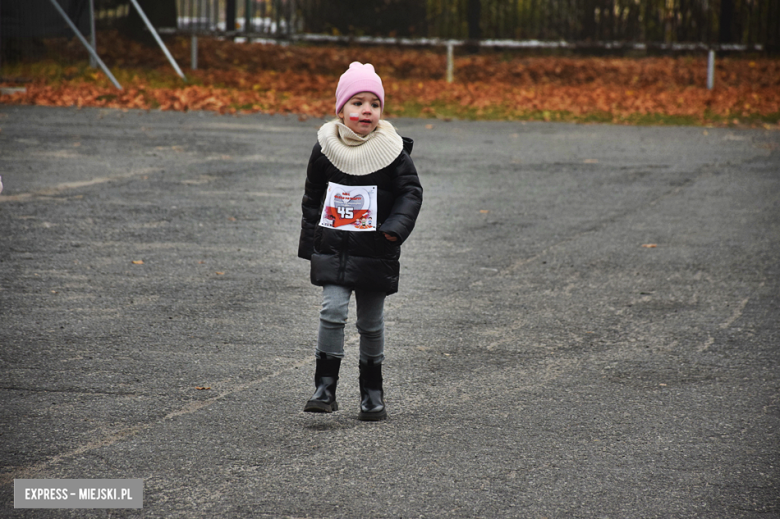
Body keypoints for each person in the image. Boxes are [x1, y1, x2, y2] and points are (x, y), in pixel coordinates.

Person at [297, 62, 423, 421]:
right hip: (334, 248)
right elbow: (312, 199)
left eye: (374, 103)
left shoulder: (392, 151)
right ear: (340, 110)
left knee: (370, 323)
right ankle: (325, 387)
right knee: (332, 311)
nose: (366, 110)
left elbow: (411, 193)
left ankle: (371, 392)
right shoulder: (325, 149)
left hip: (375, 249)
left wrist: (394, 229)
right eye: (357, 102)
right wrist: (312, 245)